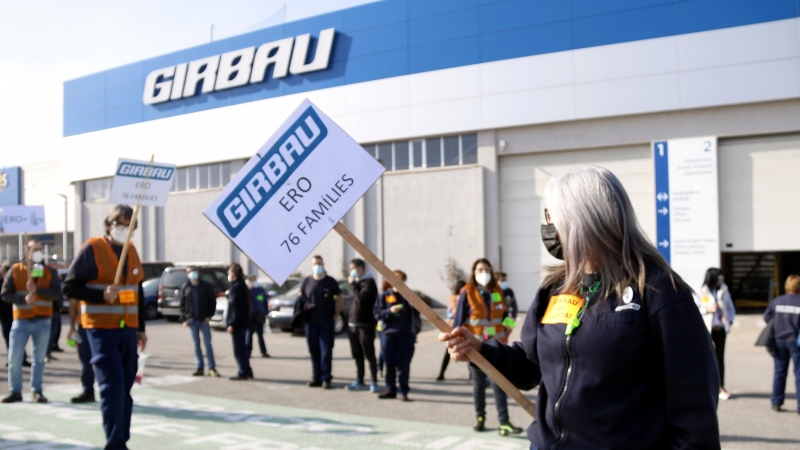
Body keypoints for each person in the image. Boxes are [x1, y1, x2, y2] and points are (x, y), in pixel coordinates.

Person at [440, 166, 720, 449]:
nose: (548, 227)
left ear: (582, 219)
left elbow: (694, 405)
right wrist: (481, 349)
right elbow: (532, 364)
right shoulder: (555, 287)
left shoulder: (659, 291)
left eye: (551, 216)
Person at [61, 204, 148, 449]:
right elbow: (69, 287)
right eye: (119, 224)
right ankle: (115, 444)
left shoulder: (131, 250)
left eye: (129, 226)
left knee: (126, 389)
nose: (123, 230)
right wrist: (101, 296)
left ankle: (121, 440)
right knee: (113, 387)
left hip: (128, 329)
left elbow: (137, 291)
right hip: (100, 329)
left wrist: (140, 327)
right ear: (109, 225)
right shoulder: (92, 249)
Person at [452, 259, 521, 436]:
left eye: (486, 269)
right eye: (480, 269)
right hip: (474, 347)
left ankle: (504, 423)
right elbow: (458, 322)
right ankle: (480, 418)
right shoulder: (466, 292)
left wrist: (508, 326)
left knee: (500, 384)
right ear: (473, 273)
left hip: (497, 346)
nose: (483, 272)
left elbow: (505, 313)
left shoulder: (497, 291)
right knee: (479, 384)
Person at [1, 239, 60, 403]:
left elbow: (57, 294)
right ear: (26, 252)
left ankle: (37, 391)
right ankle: (15, 390)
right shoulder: (15, 270)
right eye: (34, 249)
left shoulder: (49, 272)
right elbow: (5, 294)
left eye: (40, 250)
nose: (38, 252)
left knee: (39, 359)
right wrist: (22, 298)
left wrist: (38, 290)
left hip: (43, 321)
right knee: (14, 358)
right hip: (21, 321)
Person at [373, 270, 418, 401]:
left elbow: (419, 311)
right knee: (389, 364)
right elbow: (377, 314)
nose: (400, 284)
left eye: (402, 281)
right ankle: (390, 389)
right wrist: (389, 311)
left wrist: (412, 301)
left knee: (404, 365)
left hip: (406, 334)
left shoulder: (409, 296)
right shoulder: (384, 296)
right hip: (388, 334)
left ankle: (403, 391)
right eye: (397, 281)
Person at [299, 255, 341, 389]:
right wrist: (306, 304)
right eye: (315, 263)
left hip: (326, 322)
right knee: (313, 350)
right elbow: (301, 297)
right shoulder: (306, 281)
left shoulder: (330, 282)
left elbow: (340, 298)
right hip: (311, 322)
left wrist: (336, 314)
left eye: (319, 263)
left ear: (323, 264)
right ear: (311, 266)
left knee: (326, 350)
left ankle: (326, 378)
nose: (317, 265)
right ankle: (316, 377)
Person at [763, 274, 800, 413]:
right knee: (799, 374)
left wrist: (778, 325)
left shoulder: (777, 301)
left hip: (779, 340)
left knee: (779, 372)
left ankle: (776, 402)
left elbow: (766, 317)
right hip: (796, 342)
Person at [698, 267, 736, 400]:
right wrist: (707, 309)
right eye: (719, 276)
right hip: (707, 329)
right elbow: (697, 308)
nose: (721, 278)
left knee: (720, 358)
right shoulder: (702, 291)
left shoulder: (723, 289)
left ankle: (721, 386)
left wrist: (730, 321)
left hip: (720, 329)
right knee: (707, 358)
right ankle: (707, 386)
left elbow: (730, 307)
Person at [345, 258, 379, 393]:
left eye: (353, 268)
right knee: (357, 354)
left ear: (360, 268)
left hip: (365, 325)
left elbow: (361, 300)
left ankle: (374, 382)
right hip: (352, 324)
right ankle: (360, 380)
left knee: (369, 354)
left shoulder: (369, 283)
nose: (351, 271)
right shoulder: (359, 283)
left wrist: (353, 285)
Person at [180, 266, 219, 377]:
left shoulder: (206, 286)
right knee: (196, 345)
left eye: (193, 271)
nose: (192, 273)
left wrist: (209, 316)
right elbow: (182, 305)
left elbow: (212, 302)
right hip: (192, 321)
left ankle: (212, 368)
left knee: (208, 344)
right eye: (189, 272)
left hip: (204, 320)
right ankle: (200, 367)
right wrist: (184, 319)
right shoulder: (186, 287)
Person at [66, 297, 96, 403]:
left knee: (108, 361)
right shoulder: (80, 280)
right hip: (84, 325)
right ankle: (88, 391)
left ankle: (114, 392)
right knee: (86, 361)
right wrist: (72, 327)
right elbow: (73, 302)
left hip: (107, 325)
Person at [226, 263, 252, 380]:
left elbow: (236, 308)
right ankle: (247, 370)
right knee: (243, 349)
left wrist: (232, 324)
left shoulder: (237, 287)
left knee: (239, 349)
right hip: (243, 322)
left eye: (229, 271)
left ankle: (243, 372)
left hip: (238, 324)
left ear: (234, 273)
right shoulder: (241, 285)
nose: (228, 274)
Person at [436, 280, 465, 381]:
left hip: (497, 332)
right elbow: (449, 312)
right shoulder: (454, 299)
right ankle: (441, 373)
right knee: (450, 350)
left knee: (469, 350)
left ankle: (475, 375)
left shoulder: (504, 292)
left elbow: (511, 311)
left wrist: (508, 327)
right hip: (455, 326)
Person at [246, 275, 269, 358]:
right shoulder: (247, 291)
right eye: (253, 280)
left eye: (256, 280)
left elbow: (264, 302)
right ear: (249, 282)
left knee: (260, 334)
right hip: (250, 315)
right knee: (249, 334)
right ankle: (248, 352)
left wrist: (266, 313)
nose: (255, 282)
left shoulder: (260, 290)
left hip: (260, 315)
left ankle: (263, 352)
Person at [46, 273, 65, 361]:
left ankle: (50, 350)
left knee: (55, 332)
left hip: (56, 311)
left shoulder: (56, 285)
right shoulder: (48, 284)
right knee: (49, 334)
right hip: (51, 311)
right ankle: (46, 353)